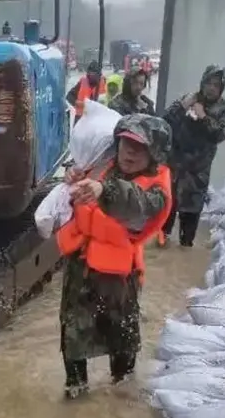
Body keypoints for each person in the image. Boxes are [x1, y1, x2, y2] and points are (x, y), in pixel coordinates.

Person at [55, 114, 173, 399]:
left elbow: (135, 205)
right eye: (126, 144)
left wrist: (102, 189)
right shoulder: (101, 166)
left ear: (154, 153)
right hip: (81, 269)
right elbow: (73, 192)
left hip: (119, 280)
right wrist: (73, 178)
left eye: (140, 147)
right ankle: (75, 396)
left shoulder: (156, 190)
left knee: (122, 345)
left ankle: (120, 401)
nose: (129, 152)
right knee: (73, 337)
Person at [159, 64, 225, 248]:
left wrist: (203, 117)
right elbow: (164, 122)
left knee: (188, 232)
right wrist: (182, 106)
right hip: (174, 168)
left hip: (197, 174)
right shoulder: (189, 99)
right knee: (163, 221)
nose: (211, 88)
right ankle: (161, 247)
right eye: (209, 83)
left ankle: (184, 253)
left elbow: (221, 134)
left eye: (216, 85)